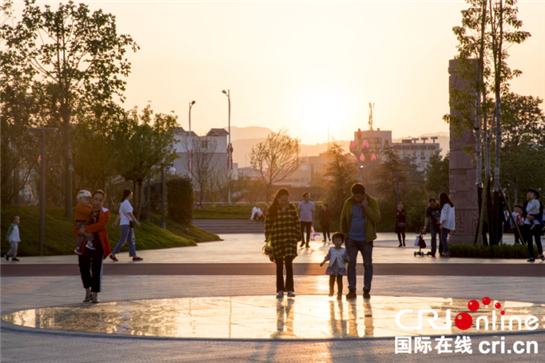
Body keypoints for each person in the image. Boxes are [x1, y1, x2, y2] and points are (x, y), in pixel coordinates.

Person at [340, 183, 380, 300]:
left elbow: (377, 218)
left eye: (358, 196)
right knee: (351, 264)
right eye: (354, 196)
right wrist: (345, 235)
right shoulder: (348, 202)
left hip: (365, 239)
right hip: (351, 239)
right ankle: (351, 289)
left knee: (367, 264)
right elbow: (343, 218)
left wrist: (366, 208)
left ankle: (366, 289)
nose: (355, 198)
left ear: (363, 194)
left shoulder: (372, 202)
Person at [74, 190, 112, 303]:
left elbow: (101, 225)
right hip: (84, 243)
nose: (97, 202)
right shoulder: (85, 209)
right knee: (83, 266)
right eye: (96, 199)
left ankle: (95, 294)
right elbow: (76, 224)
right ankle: (87, 291)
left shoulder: (105, 212)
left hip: (98, 243)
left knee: (96, 268)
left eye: (100, 200)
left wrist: (85, 229)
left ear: (103, 201)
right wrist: (80, 231)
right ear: (92, 199)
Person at [265, 188, 301, 298]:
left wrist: (298, 235)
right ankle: (280, 289)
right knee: (279, 266)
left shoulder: (291, 208)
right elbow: (267, 225)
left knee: (289, 265)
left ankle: (290, 289)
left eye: (286, 200)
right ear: (277, 199)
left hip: (290, 239)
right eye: (282, 200)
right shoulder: (272, 210)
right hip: (277, 240)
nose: (284, 202)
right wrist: (267, 240)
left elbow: (296, 222)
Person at [110, 189, 143, 261]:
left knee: (131, 239)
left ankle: (134, 255)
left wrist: (116, 222)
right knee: (123, 240)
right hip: (126, 224)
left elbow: (119, 214)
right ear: (128, 194)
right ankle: (112, 254)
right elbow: (130, 214)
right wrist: (137, 221)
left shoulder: (123, 203)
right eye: (131, 194)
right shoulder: (126, 203)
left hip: (126, 224)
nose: (132, 195)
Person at [320, 232, 349, 299]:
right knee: (331, 279)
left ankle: (339, 293)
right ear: (333, 241)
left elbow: (348, 258)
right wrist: (323, 262)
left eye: (339, 240)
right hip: (332, 267)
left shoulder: (344, 250)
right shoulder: (331, 249)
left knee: (339, 280)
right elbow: (328, 256)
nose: (337, 242)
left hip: (340, 267)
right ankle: (331, 290)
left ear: (342, 241)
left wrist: (345, 259)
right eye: (336, 241)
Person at [522, 189, 544, 262]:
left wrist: (534, 217)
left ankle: (541, 254)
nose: (528, 195)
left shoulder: (538, 202)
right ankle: (531, 256)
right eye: (527, 194)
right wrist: (527, 216)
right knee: (529, 240)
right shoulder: (525, 203)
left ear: (534, 195)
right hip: (527, 223)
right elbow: (524, 212)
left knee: (537, 239)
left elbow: (540, 213)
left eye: (530, 193)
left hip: (536, 223)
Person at [74, 190, 96, 255]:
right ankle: (89, 242)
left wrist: (93, 216)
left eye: (88, 200)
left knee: (81, 236)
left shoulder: (87, 206)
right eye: (86, 200)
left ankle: (78, 247)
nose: (87, 201)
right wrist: (92, 212)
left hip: (83, 222)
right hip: (81, 223)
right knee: (89, 230)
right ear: (80, 199)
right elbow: (85, 211)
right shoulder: (80, 206)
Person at [439, 192, 455, 258]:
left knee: (443, 239)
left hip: (445, 224)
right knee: (444, 238)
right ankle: (446, 251)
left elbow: (445, 215)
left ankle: (446, 252)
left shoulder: (445, 205)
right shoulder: (451, 205)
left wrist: (441, 223)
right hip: (449, 224)